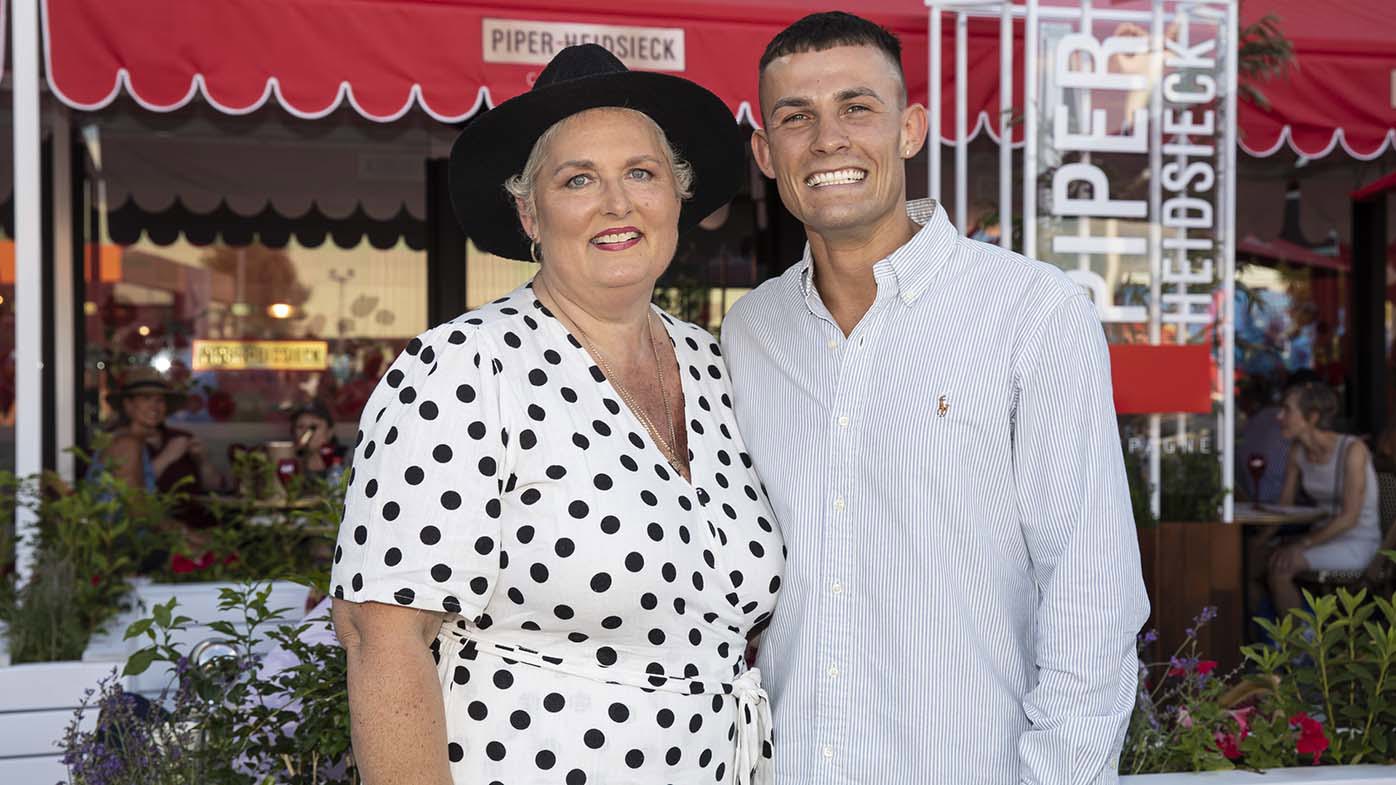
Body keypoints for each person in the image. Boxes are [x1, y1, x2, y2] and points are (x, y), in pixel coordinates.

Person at [329, 44, 783, 785]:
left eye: (641, 172)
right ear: (529, 212)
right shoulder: (465, 368)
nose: (617, 203)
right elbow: (380, 636)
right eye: (578, 180)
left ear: (678, 197)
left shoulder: (716, 364)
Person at [719, 13, 1149, 785]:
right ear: (764, 152)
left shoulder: (1033, 312)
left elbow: (1092, 596)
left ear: (910, 129)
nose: (827, 140)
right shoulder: (750, 332)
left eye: (857, 108)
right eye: (795, 117)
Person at [1268, 380, 1382, 612]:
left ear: (1311, 417)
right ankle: (1278, 632)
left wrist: (1300, 544)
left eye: (1287, 410)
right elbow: (1285, 508)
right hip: (1321, 538)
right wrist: (1262, 539)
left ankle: (1302, 645)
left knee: (1280, 568)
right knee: (1252, 563)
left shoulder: (1352, 450)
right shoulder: (1297, 451)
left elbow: (1350, 518)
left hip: (1356, 541)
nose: (1279, 416)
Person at [96, 367, 225, 531]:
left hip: (198, 524)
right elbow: (133, 502)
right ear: (128, 405)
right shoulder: (121, 443)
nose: (154, 407)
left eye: (160, 400)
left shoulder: (180, 437)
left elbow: (214, 487)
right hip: (158, 535)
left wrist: (203, 460)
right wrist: (168, 456)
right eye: (146, 398)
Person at [286, 400, 348, 480]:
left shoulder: (347, 460)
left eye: (313, 427)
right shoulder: (289, 463)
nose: (306, 433)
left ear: (329, 432)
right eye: (300, 427)